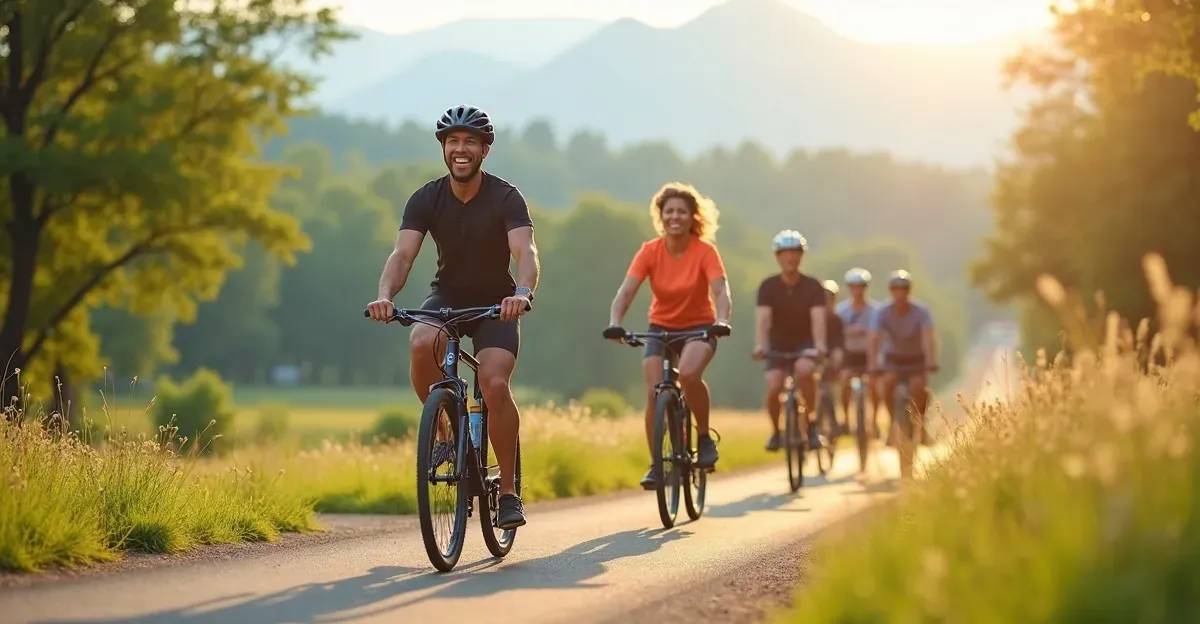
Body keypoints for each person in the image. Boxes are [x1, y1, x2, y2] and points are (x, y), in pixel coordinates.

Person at [365, 104, 539, 530]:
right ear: (443, 148)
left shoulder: (505, 197)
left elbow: (526, 252)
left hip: (497, 303)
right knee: (420, 342)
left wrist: (521, 292)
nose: (461, 150)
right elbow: (402, 255)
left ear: (484, 151)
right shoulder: (426, 198)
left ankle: (509, 492)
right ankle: (444, 431)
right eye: (453, 142)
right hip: (446, 297)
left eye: (470, 143)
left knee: (493, 384)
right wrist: (385, 296)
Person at [606, 182, 732, 489]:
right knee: (654, 392)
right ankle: (656, 465)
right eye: (669, 211)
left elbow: (720, 290)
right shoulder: (650, 251)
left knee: (688, 374)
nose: (675, 217)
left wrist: (721, 320)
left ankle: (704, 439)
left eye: (682, 212)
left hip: (700, 327)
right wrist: (615, 322)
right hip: (660, 328)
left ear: (693, 217)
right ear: (660, 216)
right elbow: (626, 291)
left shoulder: (704, 251)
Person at [751, 230, 827, 452]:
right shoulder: (768, 286)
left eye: (795, 253)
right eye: (785, 253)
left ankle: (810, 424)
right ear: (778, 256)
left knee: (805, 371)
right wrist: (760, 345)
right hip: (778, 343)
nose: (790, 257)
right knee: (774, 385)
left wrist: (820, 345)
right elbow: (763, 320)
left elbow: (818, 319)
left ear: (801, 256)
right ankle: (776, 431)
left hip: (805, 342)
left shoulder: (813, 286)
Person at [868, 270, 939, 451]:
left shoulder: (921, 311)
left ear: (909, 291)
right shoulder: (882, 312)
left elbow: (927, 337)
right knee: (887, 384)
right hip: (893, 359)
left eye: (904, 289)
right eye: (896, 289)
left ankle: (921, 425)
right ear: (890, 291)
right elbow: (874, 337)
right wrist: (873, 363)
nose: (900, 294)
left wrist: (930, 360)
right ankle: (893, 421)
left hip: (916, 359)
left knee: (918, 387)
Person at [835, 267, 881, 439]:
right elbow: (836, 334)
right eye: (853, 286)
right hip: (849, 354)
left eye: (860, 286)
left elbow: (880, 334)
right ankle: (846, 419)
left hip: (870, 353)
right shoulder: (841, 311)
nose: (857, 290)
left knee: (874, 384)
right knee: (844, 380)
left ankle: (874, 420)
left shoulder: (876, 310)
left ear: (866, 287)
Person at [821, 279, 847, 433]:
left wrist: (837, 355)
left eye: (829, 299)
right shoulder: (809, 319)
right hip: (814, 359)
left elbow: (840, 343)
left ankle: (836, 418)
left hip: (830, 362)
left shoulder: (837, 321)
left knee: (834, 386)